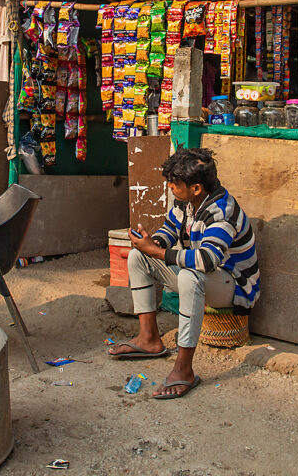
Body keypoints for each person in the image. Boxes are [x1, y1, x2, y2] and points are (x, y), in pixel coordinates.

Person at [108, 147, 260, 400]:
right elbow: (170, 229)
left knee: (190, 274)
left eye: (173, 183)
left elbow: (206, 260)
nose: (169, 186)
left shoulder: (221, 212)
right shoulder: (187, 201)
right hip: (206, 277)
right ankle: (149, 339)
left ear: (197, 188)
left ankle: (184, 369)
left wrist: (157, 253)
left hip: (233, 286)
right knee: (138, 257)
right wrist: (152, 243)